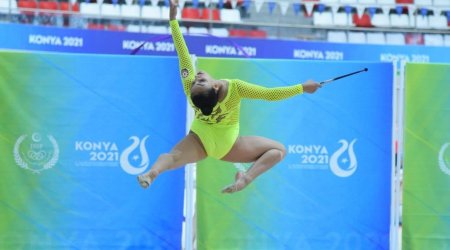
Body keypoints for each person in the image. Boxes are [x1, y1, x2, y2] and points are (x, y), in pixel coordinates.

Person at [138, 0, 321, 194]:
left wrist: (173, 21)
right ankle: (246, 178)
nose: (196, 78)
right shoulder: (235, 88)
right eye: (199, 82)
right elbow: (270, 95)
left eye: (197, 82)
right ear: (215, 87)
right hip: (229, 145)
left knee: (173, 157)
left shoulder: (190, 90)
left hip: (200, 139)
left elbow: (183, 54)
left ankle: (152, 172)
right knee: (279, 151)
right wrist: (303, 87)